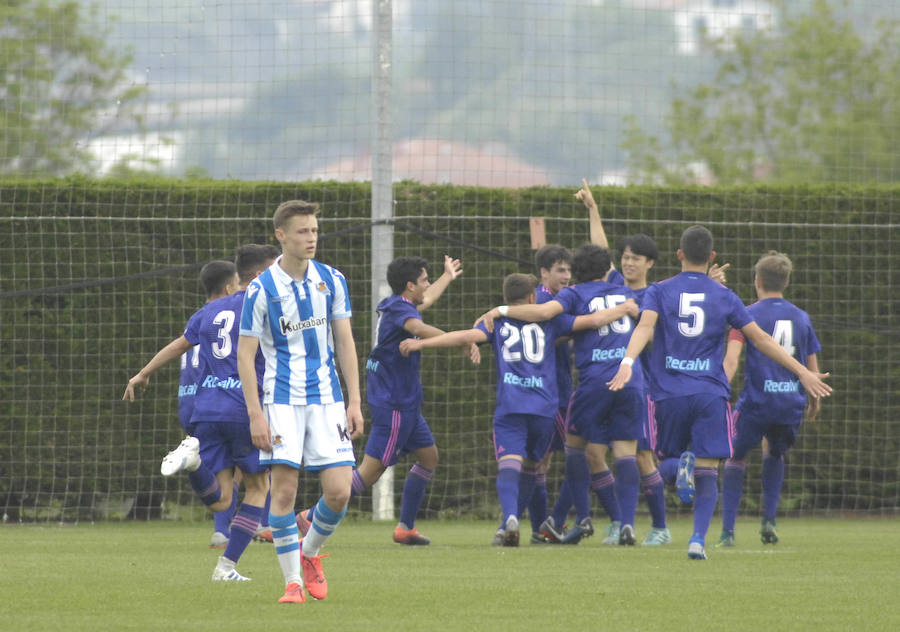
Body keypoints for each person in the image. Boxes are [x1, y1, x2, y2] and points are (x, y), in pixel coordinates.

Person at [607, 225, 832, 560]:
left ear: (679, 254)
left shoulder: (659, 290)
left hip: (669, 393)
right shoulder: (726, 296)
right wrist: (803, 372)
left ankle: (680, 468)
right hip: (711, 393)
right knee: (709, 470)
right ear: (711, 256)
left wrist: (627, 359)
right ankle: (697, 540)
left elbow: (644, 326)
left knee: (662, 462)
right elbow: (762, 340)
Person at [403, 273, 630, 546]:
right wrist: (625, 307)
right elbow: (594, 320)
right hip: (545, 409)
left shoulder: (497, 322)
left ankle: (510, 518)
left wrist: (422, 342)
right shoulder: (552, 321)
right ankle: (508, 526)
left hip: (512, 406)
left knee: (509, 464)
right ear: (533, 298)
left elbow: (465, 336)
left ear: (507, 299)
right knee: (533, 468)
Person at [574, 179, 728, 546]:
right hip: (608, 382)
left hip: (641, 384)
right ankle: (618, 522)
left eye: (635, 258)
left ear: (651, 264)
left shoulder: (656, 293)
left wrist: (709, 283)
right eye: (625, 257)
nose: (627, 262)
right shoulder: (614, 288)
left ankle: (659, 527)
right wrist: (592, 209)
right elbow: (600, 249)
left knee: (643, 456)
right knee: (597, 452)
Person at [123, 244, 278, 581]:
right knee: (258, 488)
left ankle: (192, 461)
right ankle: (226, 567)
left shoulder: (206, 313)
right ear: (256, 277)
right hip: (244, 407)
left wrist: (143, 373)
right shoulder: (262, 307)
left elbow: (179, 345)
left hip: (206, 409)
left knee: (221, 500)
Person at [238, 200, 363, 604]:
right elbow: (245, 354)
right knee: (285, 491)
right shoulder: (261, 289)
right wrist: (255, 413)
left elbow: (344, 341)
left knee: (340, 490)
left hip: (327, 399)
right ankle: (292, 583)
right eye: (302, 232)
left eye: (314, 230)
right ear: (281, 236)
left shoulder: (332, 279)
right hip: (281, 400)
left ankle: (308, 555)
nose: (311, 238)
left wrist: (355, 401)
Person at [478, 247, 643, 546]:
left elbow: (556, 320)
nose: (565, 276)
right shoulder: (621, 291)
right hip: (616, 382)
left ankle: (567, 519)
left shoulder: (571, 296)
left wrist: (497, 311)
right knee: (617, 453)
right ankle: (617, 523)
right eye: (559, 270)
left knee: (566, 453)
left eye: (569, 270)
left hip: (576, 388)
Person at [354, 254, 468, 545]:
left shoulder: (400, 305)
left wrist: (446, 277)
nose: (427, 285)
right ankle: (308, 518)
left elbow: (426, 300)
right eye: (424, 280)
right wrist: (460, 339)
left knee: (429, 457)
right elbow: (418, 330)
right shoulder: (402, 313)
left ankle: (405, 527)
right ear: (409, 286)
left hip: (405, 401)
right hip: (392, 401)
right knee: (370, 473)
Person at [717, 251, 822, 547]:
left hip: (757, 402)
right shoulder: (802, 318)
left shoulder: (746, 314)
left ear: (758, 280)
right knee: (774, 454)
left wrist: (720, 390)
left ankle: (727, 532)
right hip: (790, 403)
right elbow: (811, 367)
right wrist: (815, 402)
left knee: (735, 457)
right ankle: (769, 521)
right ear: (786, 282)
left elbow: (732, 360)